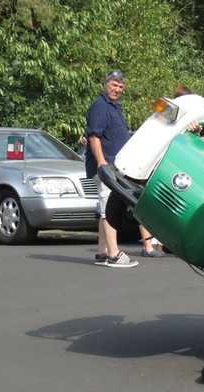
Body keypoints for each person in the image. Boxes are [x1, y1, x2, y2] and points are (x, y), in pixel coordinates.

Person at [85, 70, 139, 268]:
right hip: (106, 165)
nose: (117, 89)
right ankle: (114, 255)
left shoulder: (114, 107)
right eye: (114, 85)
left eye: (121, 86)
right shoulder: (100, 106)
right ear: (106, 84)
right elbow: (94, 136)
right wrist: (101, 163)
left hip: (114, 166)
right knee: (109, 209)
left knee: (104, 208)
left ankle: (102, 252)